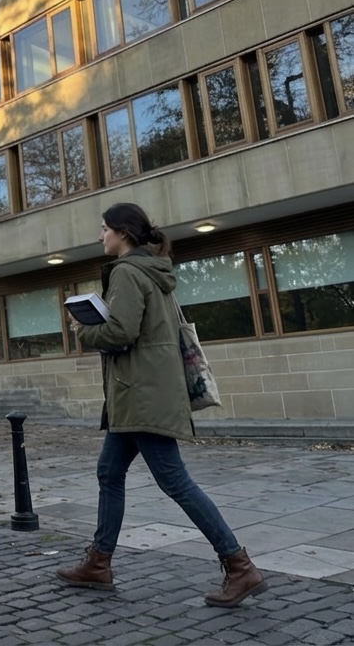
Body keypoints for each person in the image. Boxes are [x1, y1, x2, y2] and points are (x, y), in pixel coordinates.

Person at [56, 202, 266, 608]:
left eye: (104, 229)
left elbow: (121, 331)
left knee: (175, 481)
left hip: (141, 394)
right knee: (109, 471)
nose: (100, 236)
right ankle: (98, 563)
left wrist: (84, 330)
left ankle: (240, 567)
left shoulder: (127, 273)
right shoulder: (152, 270)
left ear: (122, 233)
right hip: (139, 393)